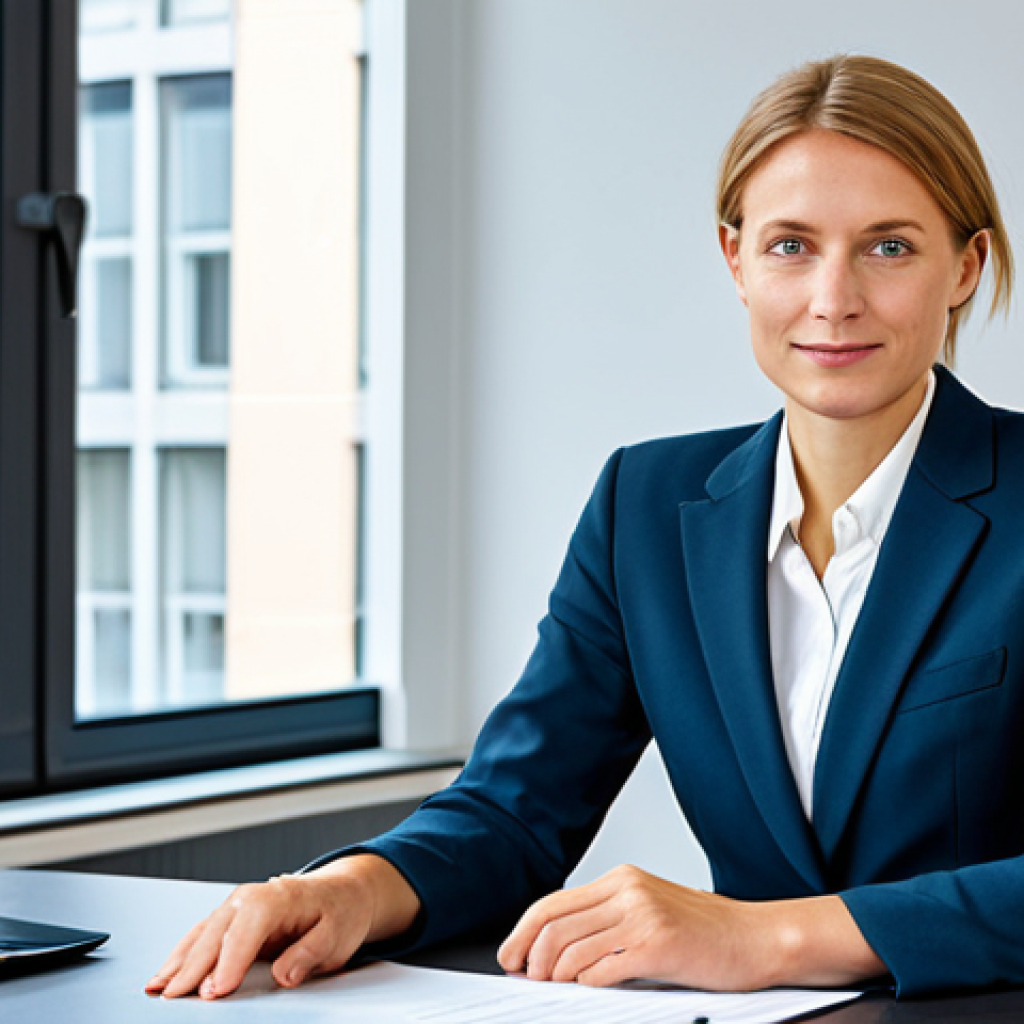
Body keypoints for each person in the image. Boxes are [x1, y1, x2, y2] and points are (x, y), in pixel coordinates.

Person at [146, 53, 1020, 1001]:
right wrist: (345, 891)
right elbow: (515, 810)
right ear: (734, 259)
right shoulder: (644, 506)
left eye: (889, 247)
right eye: (790, 246)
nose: (833, 297)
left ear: (966, 266)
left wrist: (764, 939)